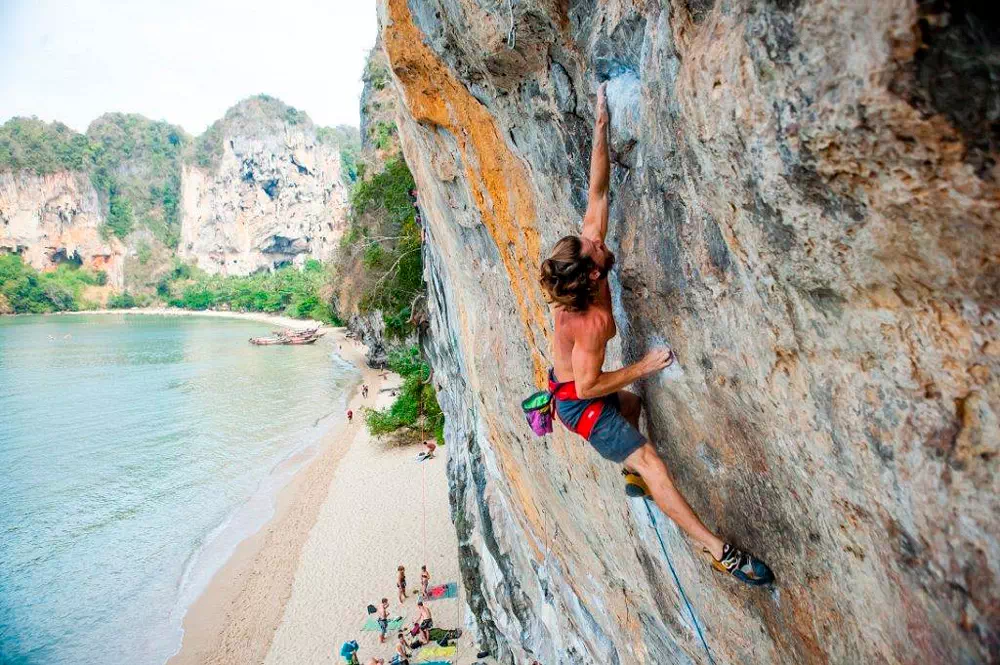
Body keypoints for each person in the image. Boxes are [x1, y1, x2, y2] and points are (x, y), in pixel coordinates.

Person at [537, 82, 774, 587]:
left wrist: (601, 126)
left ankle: (631, 471)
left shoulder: (589, 264)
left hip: (578, 390)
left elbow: (597, 190)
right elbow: (586, 388)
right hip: (578, 404)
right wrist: (644, 365)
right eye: (590, 244)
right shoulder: (593, 321)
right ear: (595, 275)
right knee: (652, 462)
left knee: (632, 407)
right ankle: (717, 551)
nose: (593, 236)